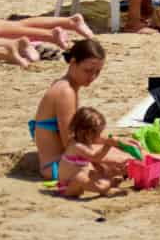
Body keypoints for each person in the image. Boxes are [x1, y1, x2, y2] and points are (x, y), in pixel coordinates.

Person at [29, 39, 106, 179]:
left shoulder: (65, 85)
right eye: (88, 70)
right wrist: (109, 143)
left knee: (123, 151)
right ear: (73, 62)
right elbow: (70, 142)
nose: (93, 77)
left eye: (98, 72)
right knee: (124, 157)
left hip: (57, 162)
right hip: (58, 167)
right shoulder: (66, 92)